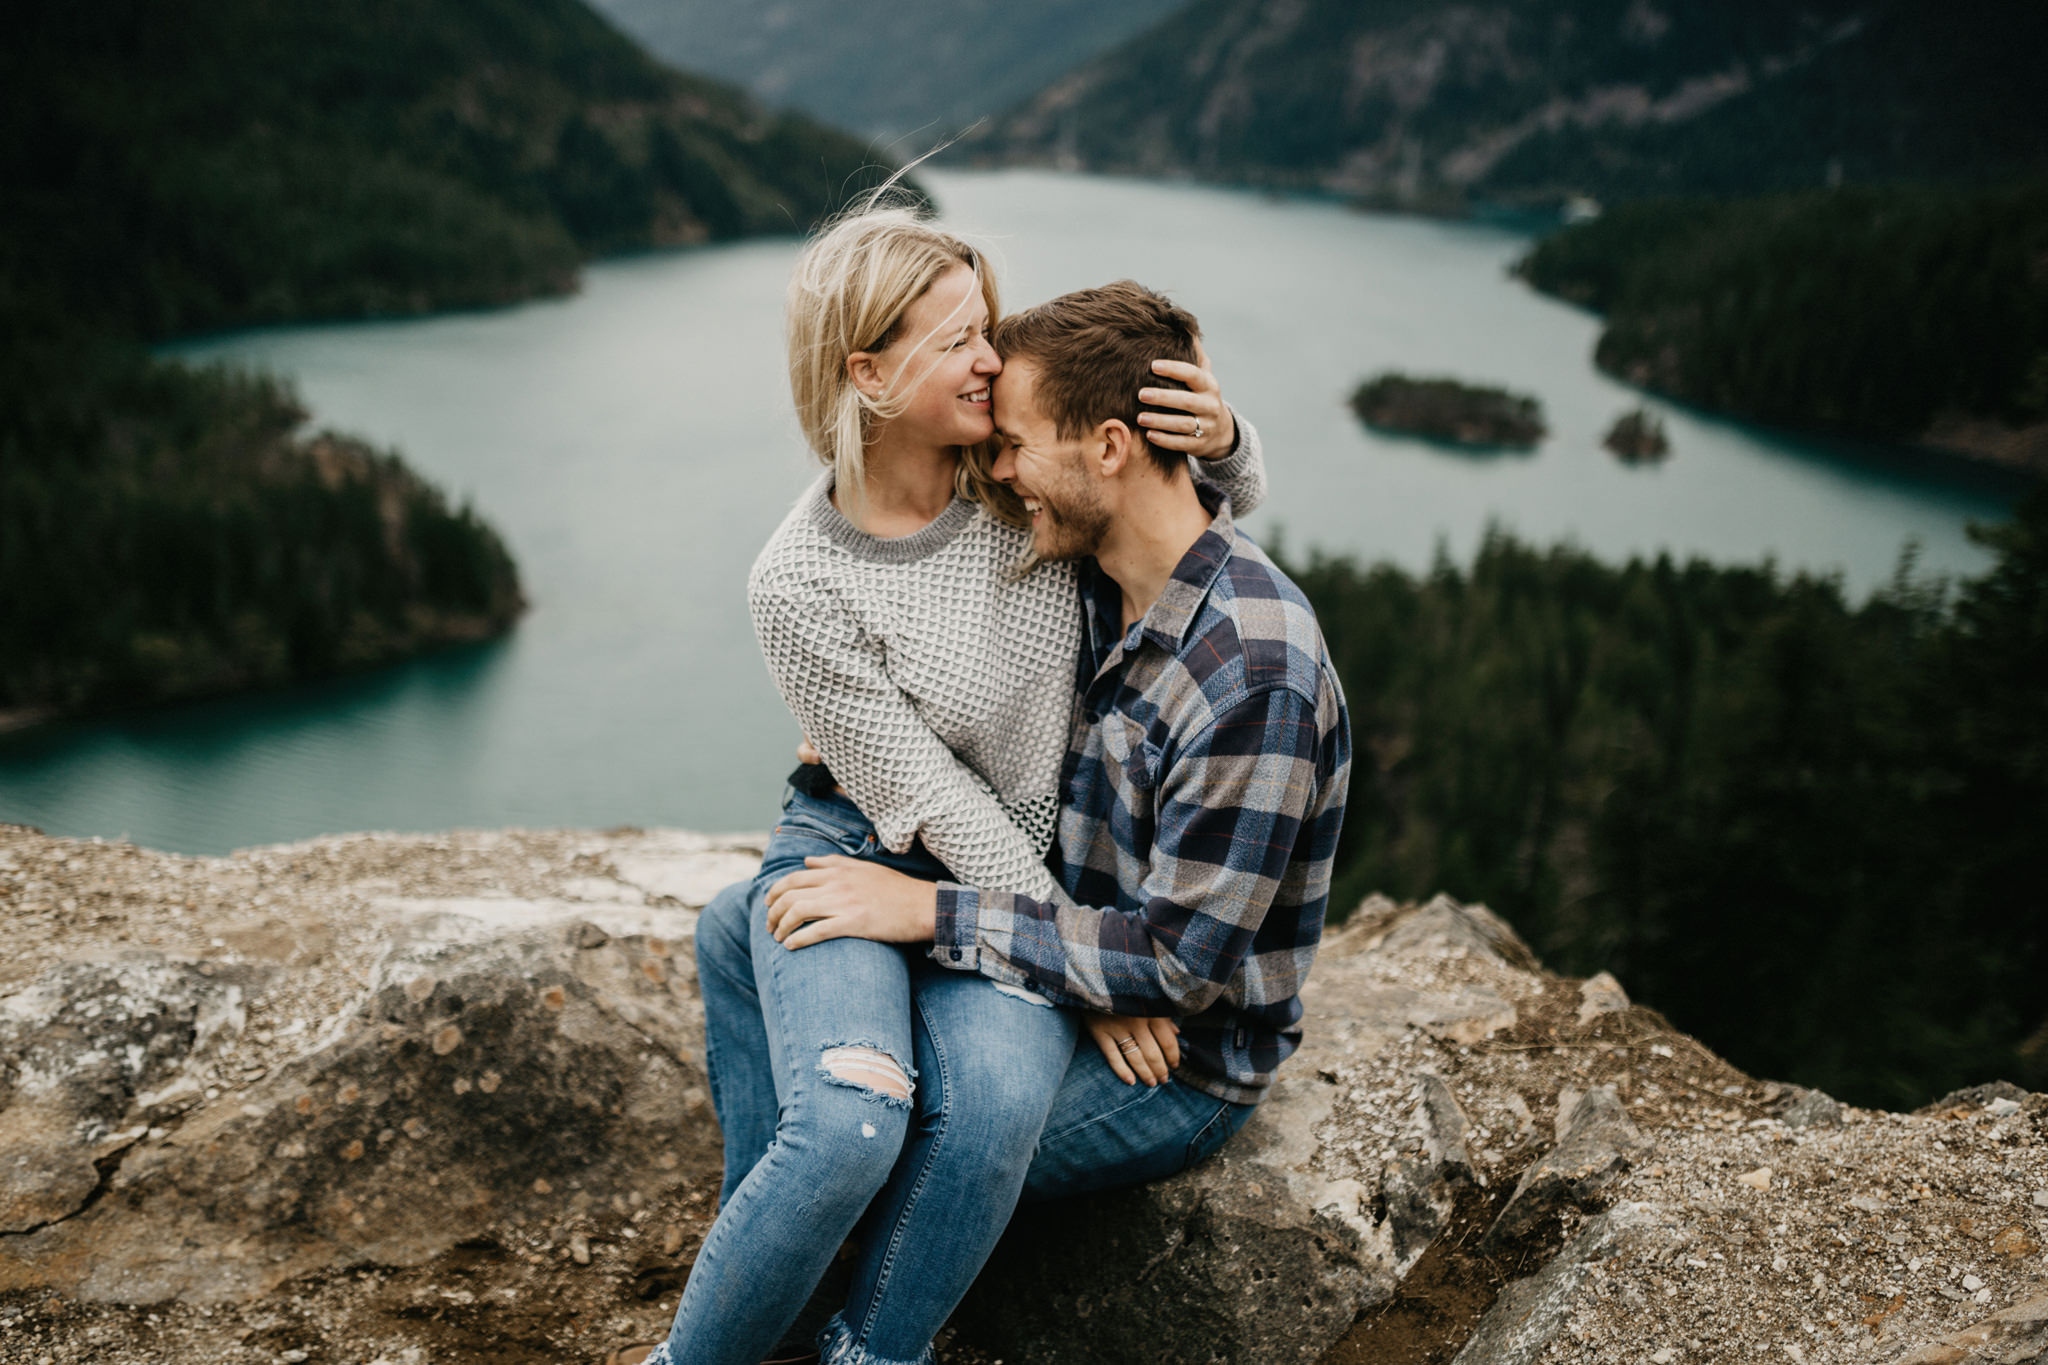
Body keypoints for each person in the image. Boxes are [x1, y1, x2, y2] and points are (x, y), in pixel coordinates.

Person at [628, 205, 1269, 1365]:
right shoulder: (797, 582)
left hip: (1008, 889)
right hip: (869, 851)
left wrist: (1220, 443)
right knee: (847, 1121)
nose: (991, 358)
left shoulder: (1014, 473)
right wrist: (1086, 971)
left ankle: (854, 1342)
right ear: (866, 373)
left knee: (990, 1113)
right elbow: (935, 803)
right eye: (957, 339)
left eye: (986, 325)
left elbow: (1161, 514)